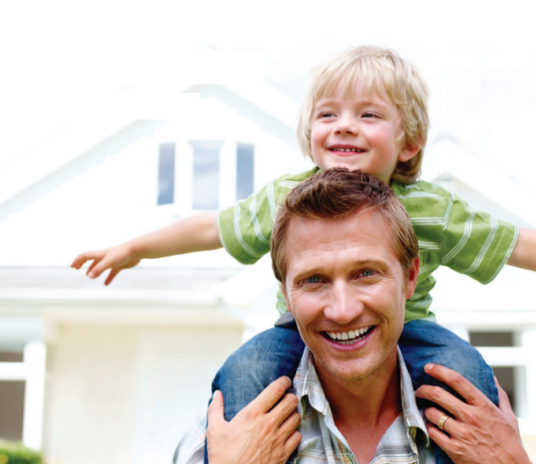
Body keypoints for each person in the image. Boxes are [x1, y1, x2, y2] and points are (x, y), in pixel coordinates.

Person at [71, 46, 536, 463]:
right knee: (244, 371)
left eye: (369, 115)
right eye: (328, 114)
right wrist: (135, 248)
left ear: (409, 142)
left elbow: (515, 243)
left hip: (413, 332)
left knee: (469, 375)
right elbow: (212, 226)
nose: (345, 125)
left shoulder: (431, 210)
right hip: (294, 332)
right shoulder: (286, 199)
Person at [174, 169, 531, 464]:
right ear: (285, 293)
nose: (343, 311)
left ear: (410, 278)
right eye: (314, 280)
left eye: (366, 274)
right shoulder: (225, 436)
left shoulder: (484, 433)